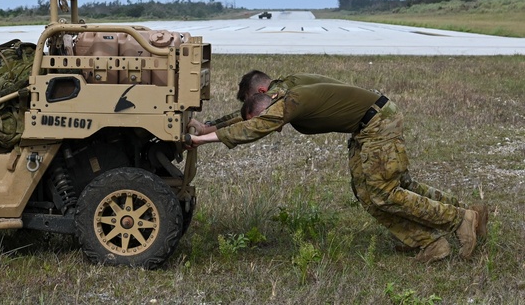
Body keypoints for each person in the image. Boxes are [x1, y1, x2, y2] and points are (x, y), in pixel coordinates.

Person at [186, 82, 489, 263]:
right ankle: (431, 242)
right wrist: (210, 126)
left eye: (270, 119)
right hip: (366, 127)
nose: (274, 128)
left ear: (269, 99)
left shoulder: (290, 100)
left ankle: (461, 219)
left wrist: (200, 139)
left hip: (378, 122)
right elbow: (250, 119)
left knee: (385, 192)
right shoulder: (281, 92)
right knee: (369, 194)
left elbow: (254, 126)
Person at [192, 70, 344, 135]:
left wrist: (207, 130)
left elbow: (245, 118)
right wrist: (211, 124)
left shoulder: (278, 92)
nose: (248, 106)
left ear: (262, 92)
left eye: (249, 100)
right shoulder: (284, 87)